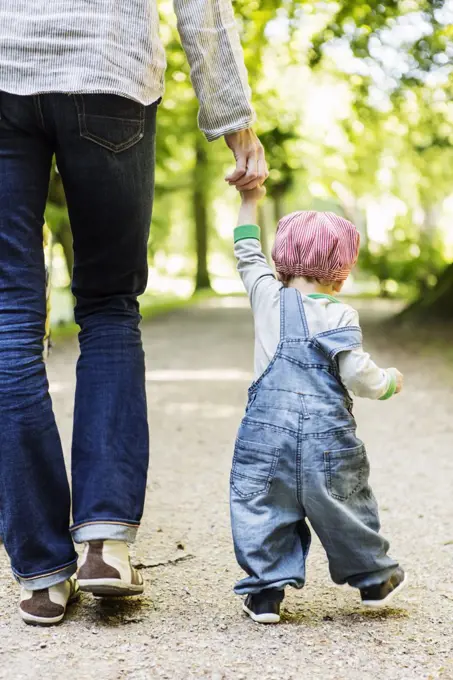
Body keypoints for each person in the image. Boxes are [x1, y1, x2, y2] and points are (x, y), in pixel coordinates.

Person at [0, 1, 268, 626]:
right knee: (110, 306)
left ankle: (41, 574)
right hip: (106, 68)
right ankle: (102, 544)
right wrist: (236, 123)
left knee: (9, 318)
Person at [230, 186, 406, 624]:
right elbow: (355, 373)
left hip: (265, 437)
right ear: (341, 277)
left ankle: (266, 593)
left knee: (263, 506)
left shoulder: (267, 296)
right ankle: (373, 581)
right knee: (345, 504)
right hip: (328, 439)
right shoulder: (340, 314)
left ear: (279, 262)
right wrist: (386, 383)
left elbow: (246, 250)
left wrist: (249, 198)